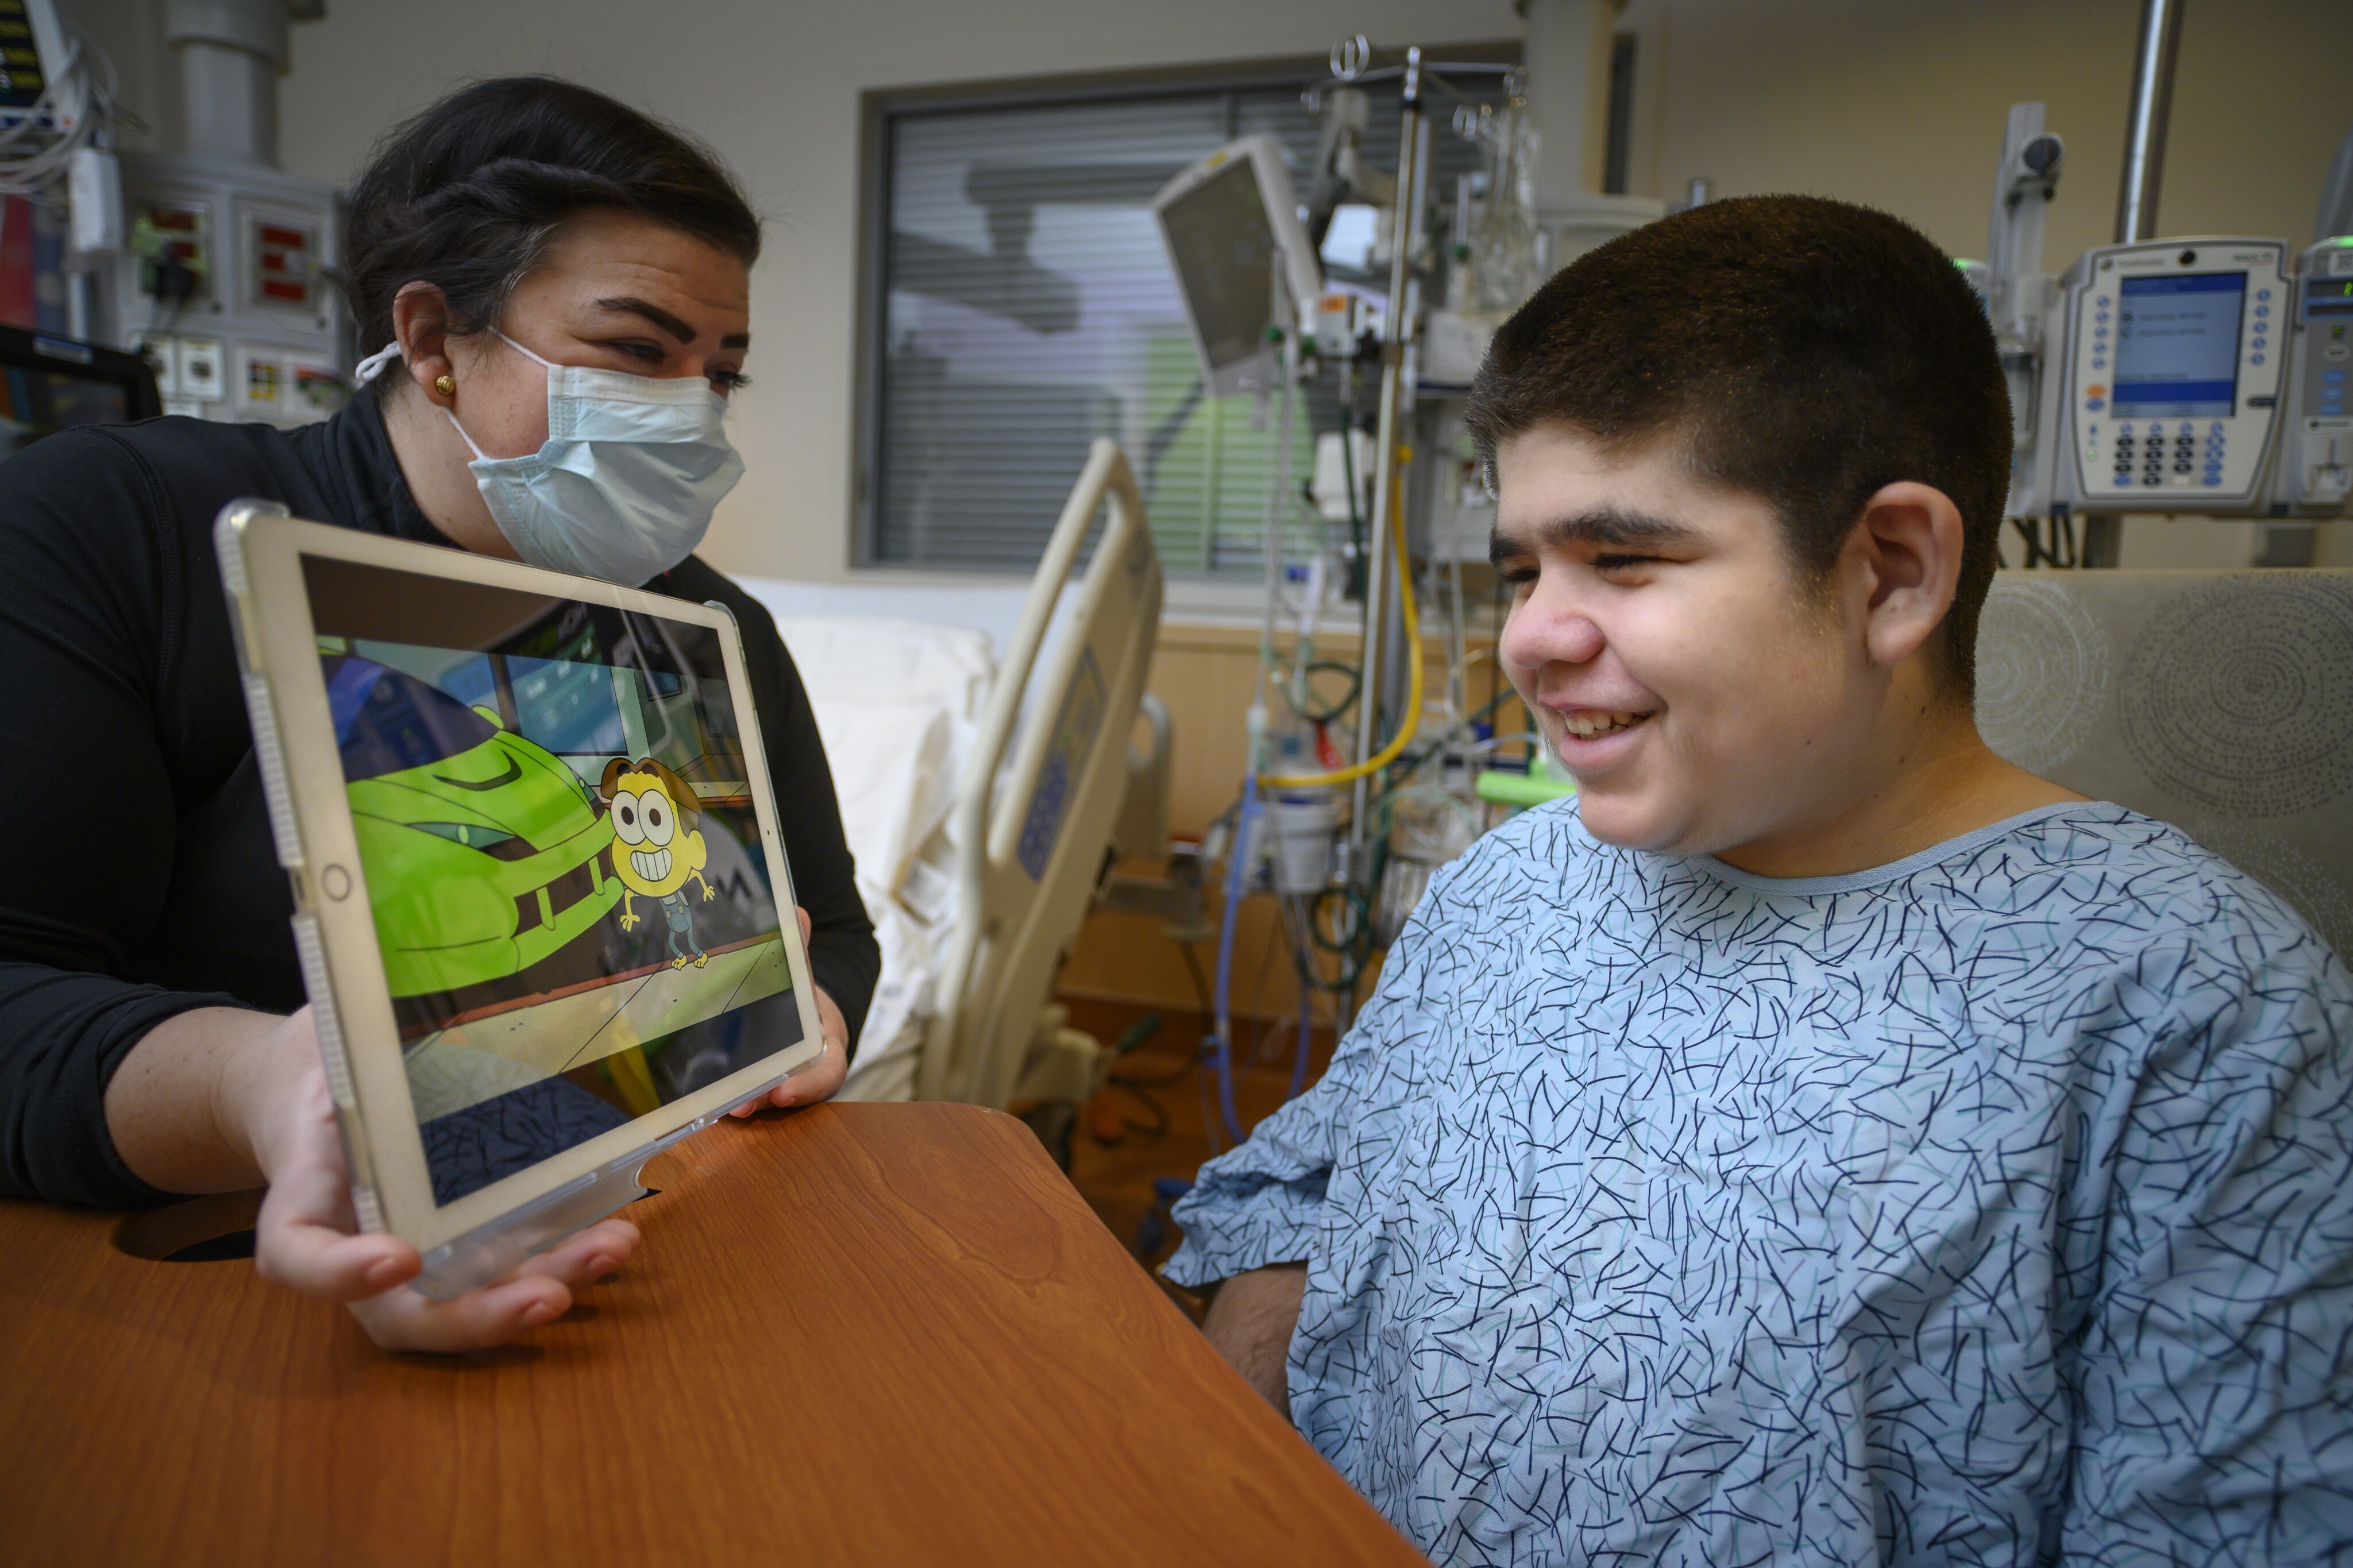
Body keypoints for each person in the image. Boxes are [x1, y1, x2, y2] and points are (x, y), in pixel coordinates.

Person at [1168, 196, 2353, 1563]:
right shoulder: (1505, 894)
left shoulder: (2199, 1021)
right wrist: (1221, 1495)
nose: (1530, 639)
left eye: (1622, 559)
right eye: (1522, 568)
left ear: (1890, 571)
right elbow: (1305, 1208)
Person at [0, 78, 878, 1352]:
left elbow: (833, 928)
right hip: (176, 1303)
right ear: (431, 341)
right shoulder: (114, 531)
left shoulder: (714, 634)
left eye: (719, 375)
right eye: (638, 352)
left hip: (667, 1249)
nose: (689, 414)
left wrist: (807, 1019)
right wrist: (283, 1090)